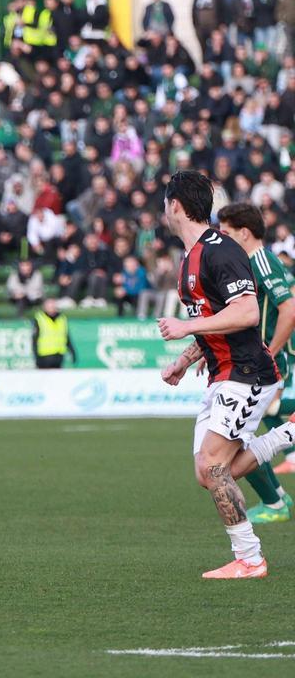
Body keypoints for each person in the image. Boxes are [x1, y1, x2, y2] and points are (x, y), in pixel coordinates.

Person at [157, 171, 284, 578]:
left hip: (246, 371)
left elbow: (247, 312)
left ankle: (250, 558)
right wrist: (184, 358)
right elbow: (216, 319)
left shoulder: (219, 249)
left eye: (165, 202)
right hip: (222, 372)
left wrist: (187, 328)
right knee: (208, 473)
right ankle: (288, 434)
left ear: (175, 205)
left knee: (213, 465)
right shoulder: (190, 257)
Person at [215, 202, 295, 522]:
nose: (221, 238)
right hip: (250, 362)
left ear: (244, 233)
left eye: (226, 233)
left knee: (235, 439)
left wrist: (271, 353)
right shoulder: (248, 263)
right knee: (242, 434)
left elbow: (289, 310)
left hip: (263, 364)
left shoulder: (261, 261)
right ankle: (276, 499)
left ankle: (275, 502)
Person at [32, 297, 75, 369]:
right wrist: (36, 357)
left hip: (59, 355)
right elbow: (34, 340)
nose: (52, 308)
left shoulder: (62, 318)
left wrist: (72, 352)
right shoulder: (39, 318)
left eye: (53, 306)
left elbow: (66, 337)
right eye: (49, 306)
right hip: (44, 356)